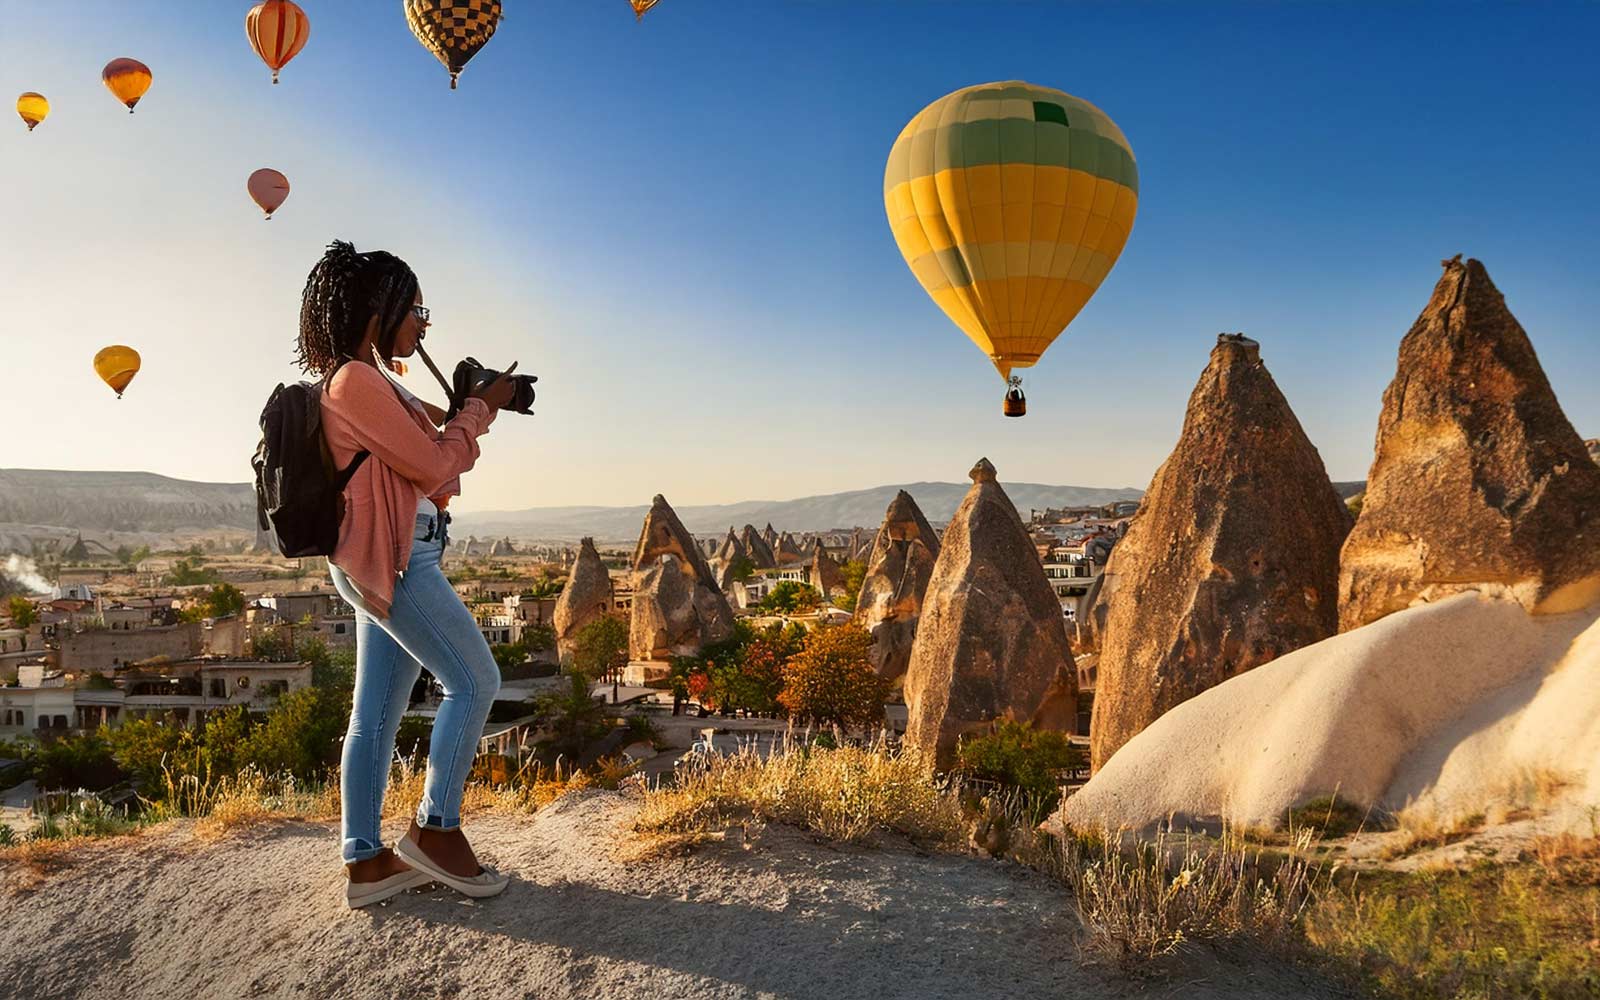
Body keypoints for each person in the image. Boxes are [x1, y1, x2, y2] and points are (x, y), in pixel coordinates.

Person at [294, 240, 518, 908]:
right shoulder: (355, 382)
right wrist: (478, 413)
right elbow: (435, 465)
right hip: (397, 559)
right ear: (379, 308)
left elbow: (431, 451)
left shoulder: (369, 378)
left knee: (375, 716)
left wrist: (469, 405)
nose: (424, 323)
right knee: (476, 681)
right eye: (416, 308)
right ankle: (435, 832)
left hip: (380, 556)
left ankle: (366, 863)